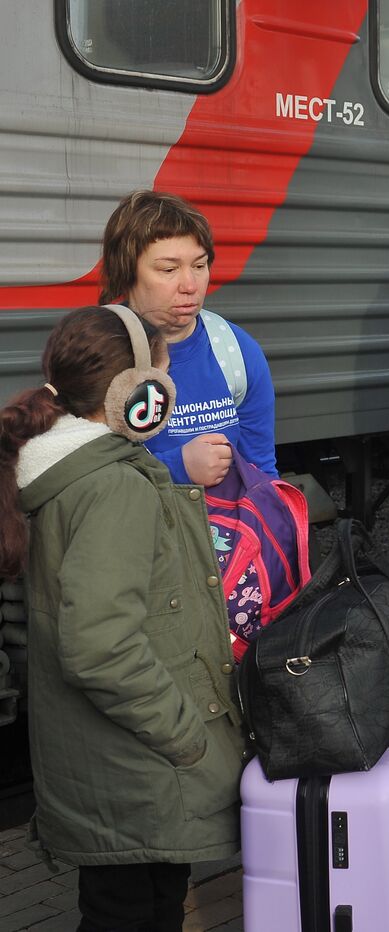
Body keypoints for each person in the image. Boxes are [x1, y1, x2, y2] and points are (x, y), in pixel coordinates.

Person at [0, 306, 243, 932]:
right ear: (135, 395)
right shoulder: (114, 487)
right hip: (140, 766)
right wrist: (186, 736)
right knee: (137, 913)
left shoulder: (53, 468)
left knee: (132, 905)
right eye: (162, 374)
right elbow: (100, 646)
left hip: (101, 762)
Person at [100, 190, 276, 487]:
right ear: (126, 272)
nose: (190, 285)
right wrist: (177, 467)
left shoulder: (236, 351)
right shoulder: (97, 351)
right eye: (168, 269)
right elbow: (80, 476)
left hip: (227, 532)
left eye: (199, 265)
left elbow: (261, 473)